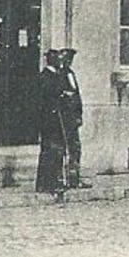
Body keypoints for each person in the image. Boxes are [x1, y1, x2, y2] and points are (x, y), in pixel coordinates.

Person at [36, 49, 67, 194]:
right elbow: (46, 98)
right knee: (50, 151)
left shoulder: (55, 75)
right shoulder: (46, 76)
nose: (59, 62)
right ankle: (46, 183)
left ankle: (52, 181)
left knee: (55, 151)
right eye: (56, 59)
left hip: (55, 118)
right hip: (50, 119)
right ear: (51, 60)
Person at [59, 47, 89, 188]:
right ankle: (66, 179)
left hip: (72, 117)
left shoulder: (70, 73)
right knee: (67, 148)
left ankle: (74, 178)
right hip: (64, 117)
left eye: (70, 60)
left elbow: (76, 96)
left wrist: (79, 115)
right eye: (66, 59)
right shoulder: (59, 75)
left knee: (75, 148)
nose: (68, 62)